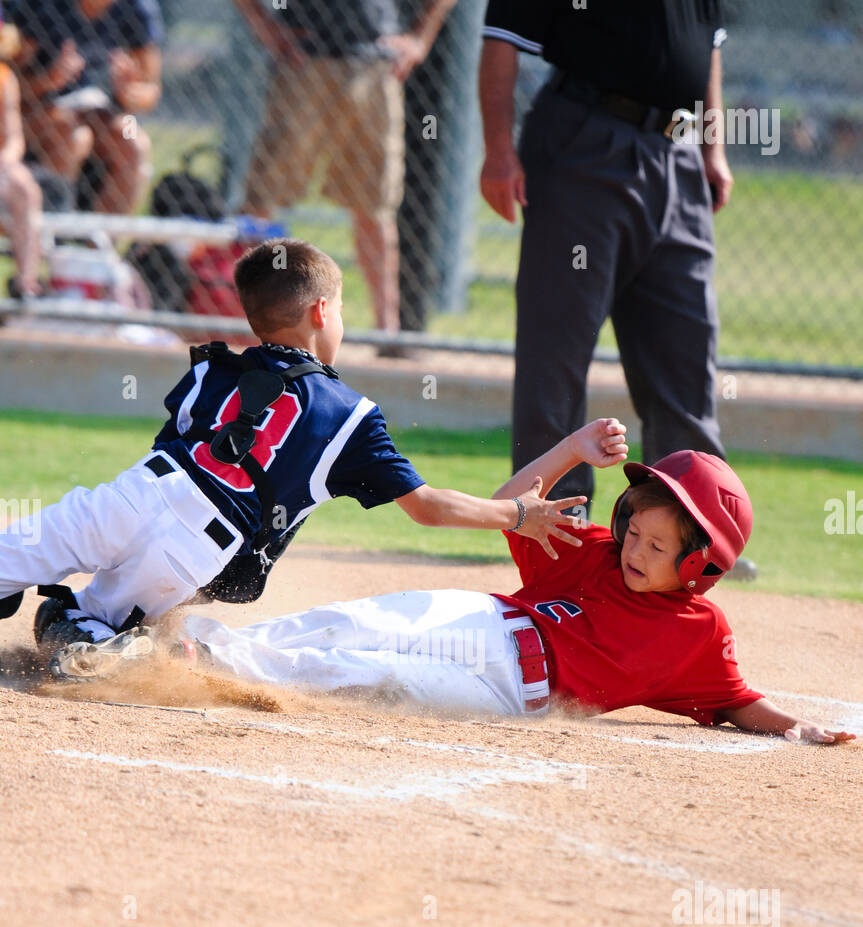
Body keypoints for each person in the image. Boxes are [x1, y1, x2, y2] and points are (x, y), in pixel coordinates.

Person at [0, 238, 583, 677]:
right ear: (322, 312)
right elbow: (427, 507)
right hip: (198, 548)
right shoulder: (351, 415)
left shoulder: (210, 368)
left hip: (137, 493)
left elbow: (174, 444)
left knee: (18, 557)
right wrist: (518, 515)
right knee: (90, 618)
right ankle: (98, 643)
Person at [178, 431, 854, 745]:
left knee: (368, 674)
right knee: (350, 623)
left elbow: (738, 702)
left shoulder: (698, 636)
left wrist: (802, 730)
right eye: (634, 532)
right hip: (479, 618)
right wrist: (571, 450)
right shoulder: (592, 553)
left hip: (510, 691)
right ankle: (192, 651)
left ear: (700, 566)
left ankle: (211, 668)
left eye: (657, 547)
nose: (635, 552)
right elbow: (507, 501)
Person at [478, 2, 733, 518]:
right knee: (558, 348)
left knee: (686, 350)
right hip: (586, 140)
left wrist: (713, 147)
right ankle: (554, 524)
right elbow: (501, 38)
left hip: (678, 151)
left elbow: (708, 48)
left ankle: (688, 526)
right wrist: (497, 150)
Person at [232, 0, 456, 337]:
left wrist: (420, 38)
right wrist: (267, 28)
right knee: (265, 195)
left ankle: (387, 332)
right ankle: (246, 321)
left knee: (374, 204)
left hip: (373, 64)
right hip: (304, 59)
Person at [8, 0, 163, 214]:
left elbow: (151, 90)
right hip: (40, 106)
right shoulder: (43, 6)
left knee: (134, 141)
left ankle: (100, 243)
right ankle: (47, 234)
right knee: (72, 137)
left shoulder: (137, 7)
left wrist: (130, 91)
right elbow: (10, 82)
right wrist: (47, 81)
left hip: (106, 109)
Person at [0, 10, 43, 297]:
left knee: (24, 187)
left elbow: (14, 139)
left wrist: (4, 161)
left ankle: (26, 284)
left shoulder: (4, 79)